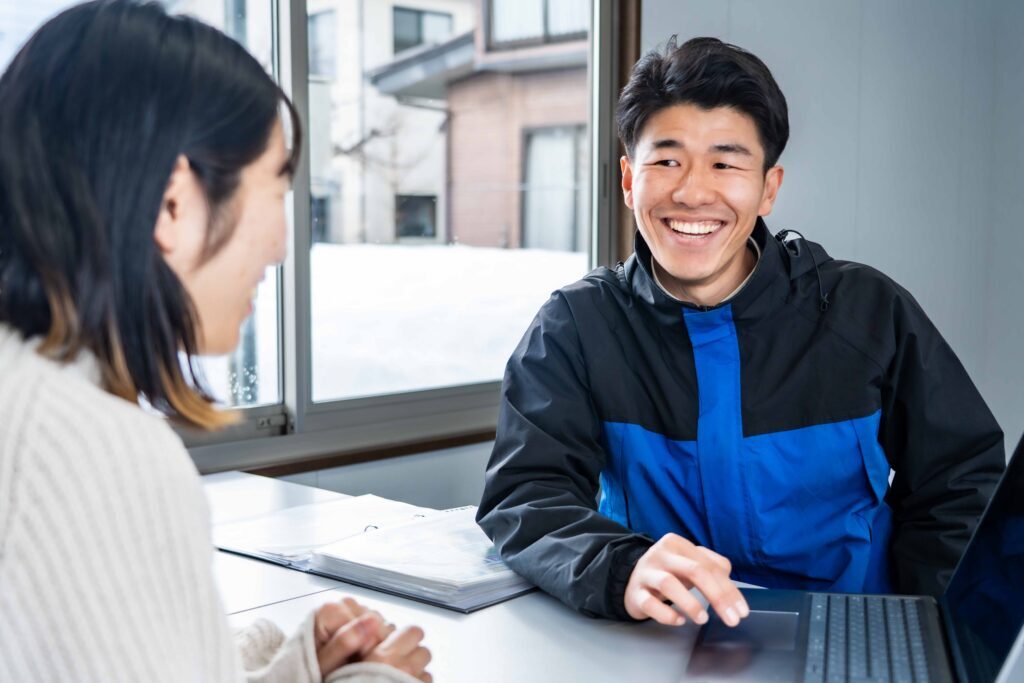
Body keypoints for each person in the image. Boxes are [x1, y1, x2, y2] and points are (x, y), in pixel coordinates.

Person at [477, 36, 1006, 628]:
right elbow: (526, 496)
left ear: (768, 187)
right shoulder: (577, 326)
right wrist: (618, 568)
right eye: (667, 160)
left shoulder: (865, 310)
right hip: (664, 641)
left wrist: (930, 627)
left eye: (725, 163)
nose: (693, 192)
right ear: (629, 180)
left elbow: (962, 485)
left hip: (852, 633)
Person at [0, 2, 430, 681]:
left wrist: (294, 670)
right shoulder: (100, 452)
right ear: (174, 202)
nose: (283, 244)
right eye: (276, 189)